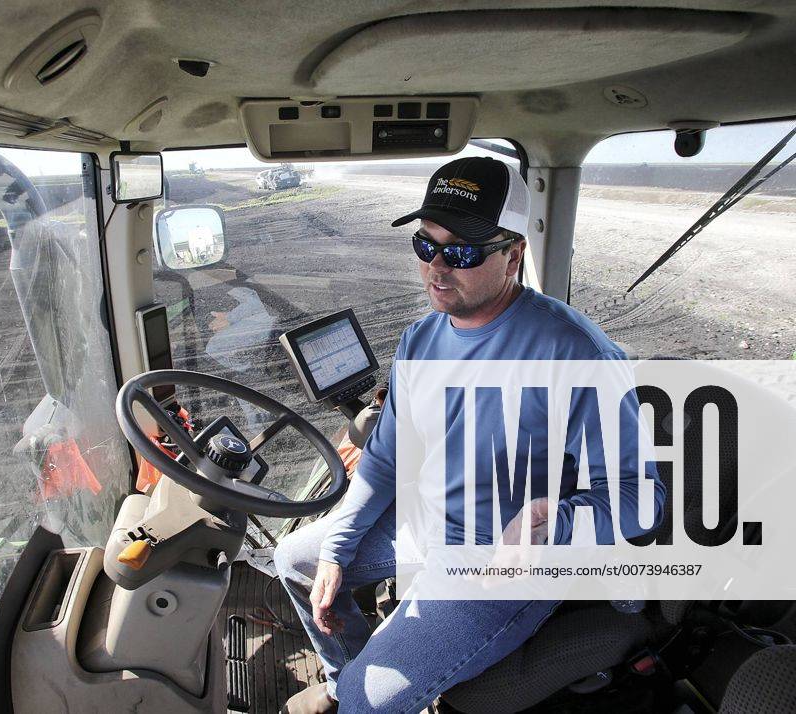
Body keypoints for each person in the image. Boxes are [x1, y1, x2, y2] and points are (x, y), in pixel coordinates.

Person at [276, 156, 666, 714]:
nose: (436, 267)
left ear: (513, 256)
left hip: (500, 562)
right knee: (295, 560)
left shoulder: (573, 353)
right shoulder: (421, 338)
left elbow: (642, 496)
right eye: (425, 245)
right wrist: (337, 547)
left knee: (369, 701)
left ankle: (361, 699)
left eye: (460, 252)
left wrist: (551, 521)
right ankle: (350, 683)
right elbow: (385, 459)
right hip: (425, 525)